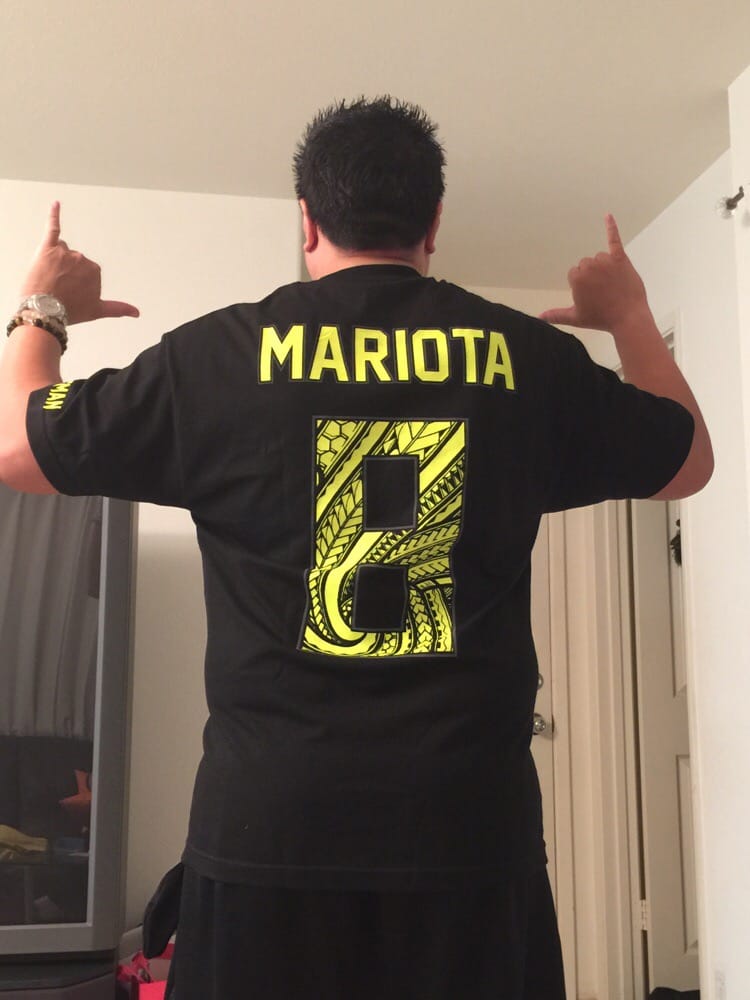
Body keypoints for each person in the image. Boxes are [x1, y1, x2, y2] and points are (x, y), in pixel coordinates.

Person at [0, 96, 712, 1000]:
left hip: (269, 831)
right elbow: (687, 461)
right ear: (434, 223)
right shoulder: (527, 362)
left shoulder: (217, 358)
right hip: (468, 829)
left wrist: (43, 310)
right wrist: (631, 315)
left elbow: (18, 448)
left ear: (307, 220)